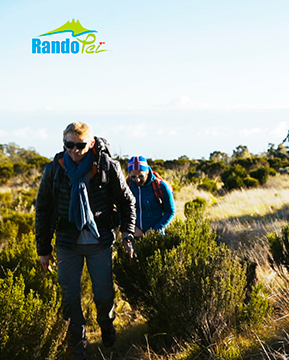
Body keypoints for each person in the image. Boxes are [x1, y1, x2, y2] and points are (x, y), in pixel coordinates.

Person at [35, 122, 136, 360]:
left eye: (80, 145)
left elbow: (126, 202)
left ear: (90, 144)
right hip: (67, 244)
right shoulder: (55, 169)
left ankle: (107, 329)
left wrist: (127, 234)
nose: (74, 150)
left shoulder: (107, 167)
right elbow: (43, 209)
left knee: (103, 296)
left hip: (99, 242)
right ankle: (77, 349)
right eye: (69, 145)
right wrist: (43, 249)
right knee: (70, 299)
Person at [127, 156, 176, 236]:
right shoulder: (127, 186)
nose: (137, 179)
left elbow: (170, 211)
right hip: (133, 236)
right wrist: (132, 228)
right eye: (133, 176)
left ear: (147, 172)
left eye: (141, 176)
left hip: (156, 236)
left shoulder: (161, 186)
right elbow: (121, 210)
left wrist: (155, 230)